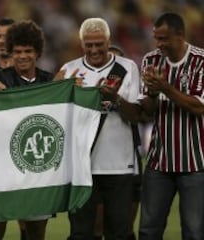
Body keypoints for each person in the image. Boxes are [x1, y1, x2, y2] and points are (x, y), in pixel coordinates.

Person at [58, 18, 141, 240]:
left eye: (99, 44)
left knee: (119, 233)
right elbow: (53, 114)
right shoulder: (69, 71)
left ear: (108, 41)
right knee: (80, 233)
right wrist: (67, 94)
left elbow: (138, 115)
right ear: (81, 43)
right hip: (81, 167)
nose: (94, 49)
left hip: (119, 166)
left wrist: (115, 98)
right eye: (89, 44)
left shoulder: (127, 68)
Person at [134, 12, 204, 240]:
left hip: (195, 162)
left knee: (194, 232)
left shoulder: (200, 61)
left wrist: (164, 87)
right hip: (158, 161)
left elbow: (198, 107)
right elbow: (148, 112)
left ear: (180, 35)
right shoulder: (151, 60)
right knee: (148, 230)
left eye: (164, 38)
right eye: (157, 38)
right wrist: (152, 95)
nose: (159, 44)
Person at [0, 20, 53, 240]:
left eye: (28, 51)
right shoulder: (0, 78)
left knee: (35, 230)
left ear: (37, 52)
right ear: (11, 52)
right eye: (17, 51)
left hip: (36, 165)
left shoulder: (49, 80)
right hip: (4, 165)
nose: (23, 56)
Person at [93, 45, 143, 240]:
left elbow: (141, 114)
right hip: (97, 162)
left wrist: (118, 99)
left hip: (128, 160)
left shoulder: (131, 82)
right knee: (96, 225)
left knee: (124, 227)